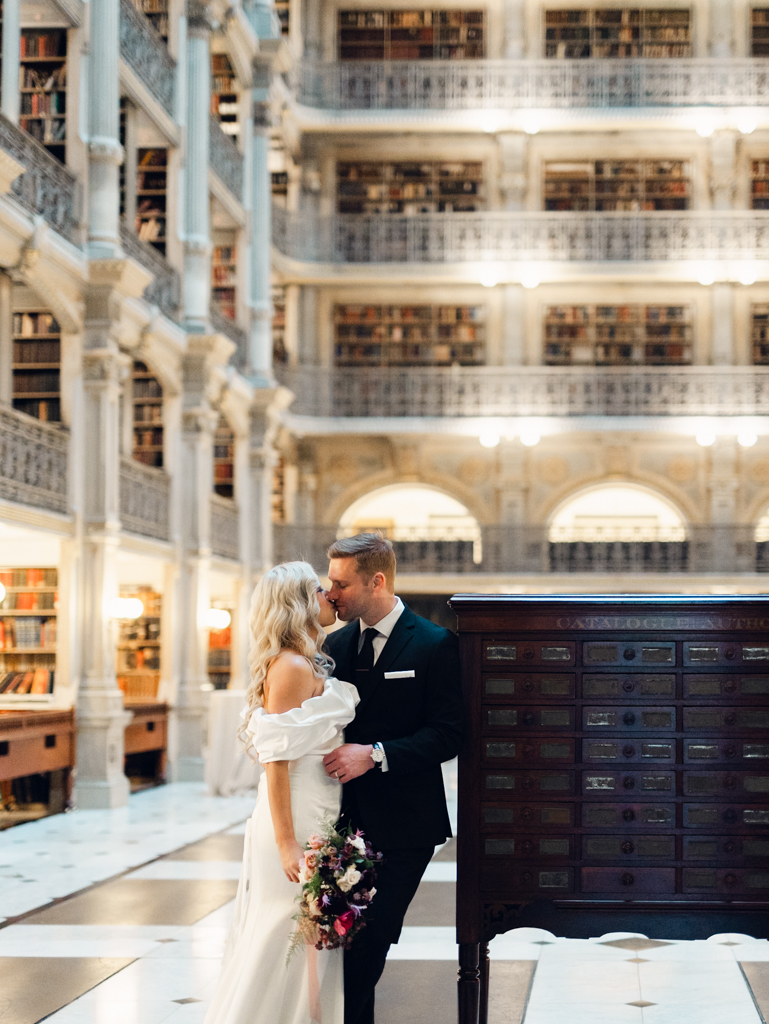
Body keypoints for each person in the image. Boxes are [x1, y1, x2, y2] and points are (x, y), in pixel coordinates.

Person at [204, 561, 357, 1024]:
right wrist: (287, 841)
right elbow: (276, 762)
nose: (329, 596)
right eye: (318, 590)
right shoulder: (290, 667)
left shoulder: (305, 661)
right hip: (295, 816)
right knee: (288, 926)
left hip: (318, 805)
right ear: (296, 603)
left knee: (309, 930)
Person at [323, 533, 465, 1024]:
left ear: (376, 580)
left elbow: (449, 734)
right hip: (342, 827)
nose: (331, 592)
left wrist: (377, 754)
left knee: (374, 937)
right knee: (345, 944)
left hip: (408, 825)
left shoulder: (435, 643)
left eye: (340, 583)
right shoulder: (335, 645)